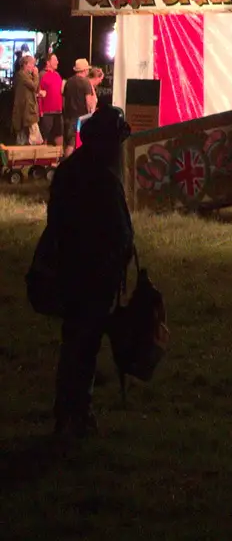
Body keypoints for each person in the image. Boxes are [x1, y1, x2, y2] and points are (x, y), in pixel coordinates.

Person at [47, 104, 135, 438]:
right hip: (93, 275)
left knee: (74, 343)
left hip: (71, 270)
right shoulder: (103, 177)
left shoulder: (70, 171)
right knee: (84, 346)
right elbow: (119, 230)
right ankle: (77, 414)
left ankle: (66, 410)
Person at [61, 58, 98, 158]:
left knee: (69, 143)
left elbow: (63, 101)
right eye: (87, 70)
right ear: (84, 70)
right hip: (80, 119)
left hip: (68, 117)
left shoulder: (68, 82)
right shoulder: (85, 83)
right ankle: (65, 165)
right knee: (73, 145)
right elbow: (88, 101)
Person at [12, 54, 40, 145]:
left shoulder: (26, 75)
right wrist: (36, 75)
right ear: (25, 64)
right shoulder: (21, 75)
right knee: (33, 136)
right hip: (25, 110)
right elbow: (33, 86)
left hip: (28, 109)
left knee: (25, 135)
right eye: (32, 64)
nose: (33, 67)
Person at [38, 51, 64, 147]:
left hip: (58, 110)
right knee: (44, 135)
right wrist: (40, 110)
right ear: (48, 62)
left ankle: (59, 158)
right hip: (47, 111)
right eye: (55, 60)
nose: (57, 62)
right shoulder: (42, 75)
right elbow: (38, 93)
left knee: (59, 134)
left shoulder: (57, 75)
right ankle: (41, 158)